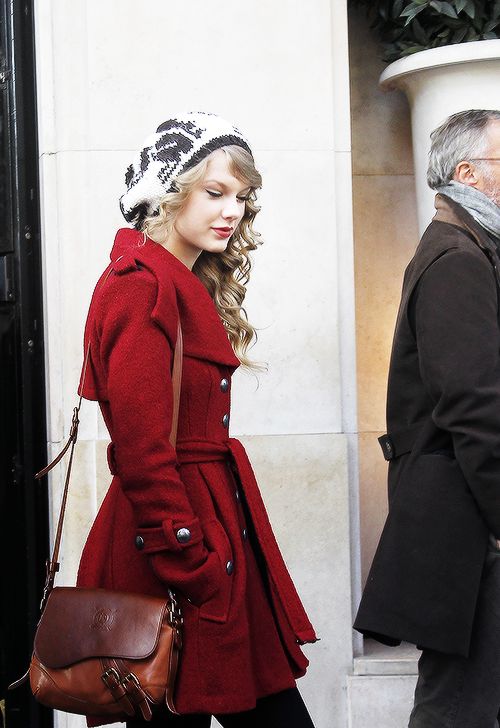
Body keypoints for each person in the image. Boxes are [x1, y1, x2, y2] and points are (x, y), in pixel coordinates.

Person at [76, 112, 317, 728]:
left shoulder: (176, 280)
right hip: (176, 542)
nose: (232, 210)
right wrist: (192, 559)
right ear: (169, 191)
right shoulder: (141, 286)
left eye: (241, 197)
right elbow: (140, 449)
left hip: (207, 530)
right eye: (215, 193)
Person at [354, 108, 500, 727]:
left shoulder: (467, 249)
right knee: (460, 706)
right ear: (470, 173)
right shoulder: (458, 260)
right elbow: (475, 405)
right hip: (471, 530)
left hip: (471, 523)